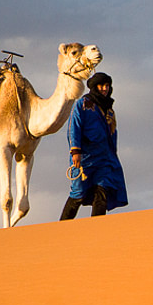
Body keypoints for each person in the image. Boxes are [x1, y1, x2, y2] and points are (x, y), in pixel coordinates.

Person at [60, 72, 128, 218]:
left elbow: (112, 135)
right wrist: (75, 151)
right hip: (84, 158)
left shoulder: (109, 109)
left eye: (107, 86)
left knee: (102, 191)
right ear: (94, 87)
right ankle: (61, 230)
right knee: (77, 193)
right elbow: (74, 128)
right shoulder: (83, 104)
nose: (104, 89)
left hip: (104, 159)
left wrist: (112, 157)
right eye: (101, 85)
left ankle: (97, 230)